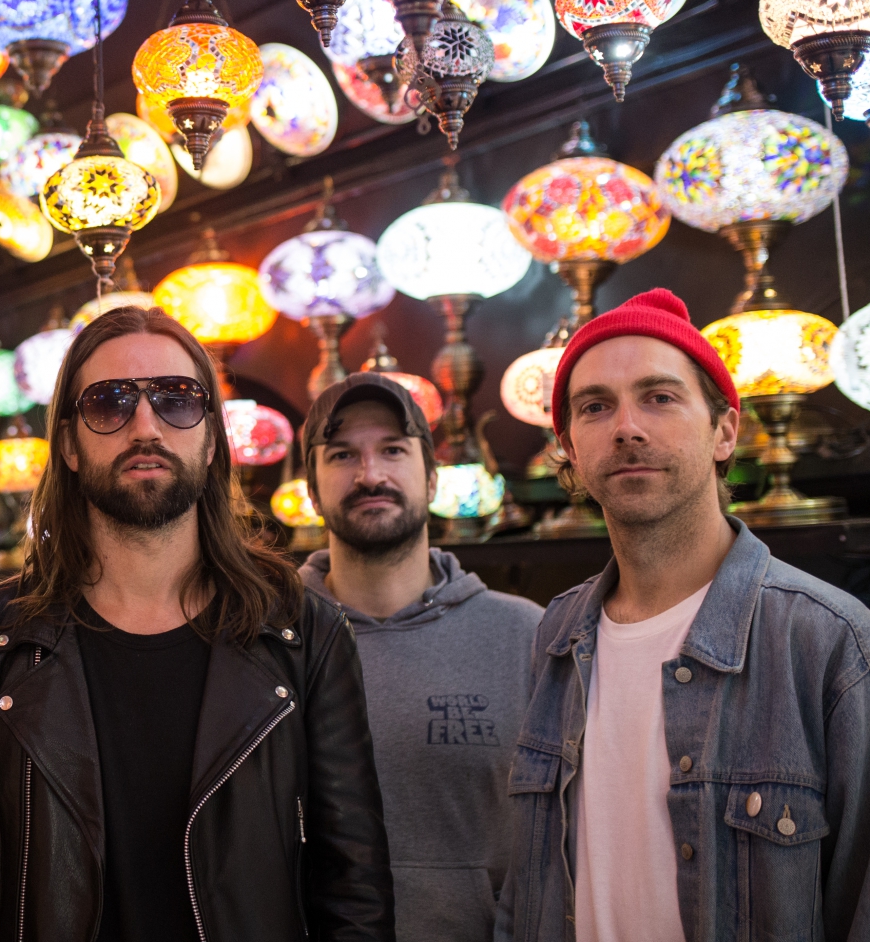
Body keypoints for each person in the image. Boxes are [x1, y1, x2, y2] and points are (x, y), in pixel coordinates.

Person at [0, 305, 394, 942]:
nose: (145, 426)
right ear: (69, 444)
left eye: (176, 399)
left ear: (211, 440)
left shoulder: (303, 633)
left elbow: (353, 889)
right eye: (109, 403)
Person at [497, 288, 870, 941]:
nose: (627, 427)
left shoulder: (828, 640)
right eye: (595, 407)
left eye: (660, 397)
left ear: (724, 431)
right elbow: (529, 880)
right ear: (570, 449)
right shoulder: (556, 634)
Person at [298, 373, 542, 939]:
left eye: (393, 450)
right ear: (312, 491)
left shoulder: (525, 634)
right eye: (342, 455)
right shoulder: (265, 641)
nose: (370, 475)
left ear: (432, 479)